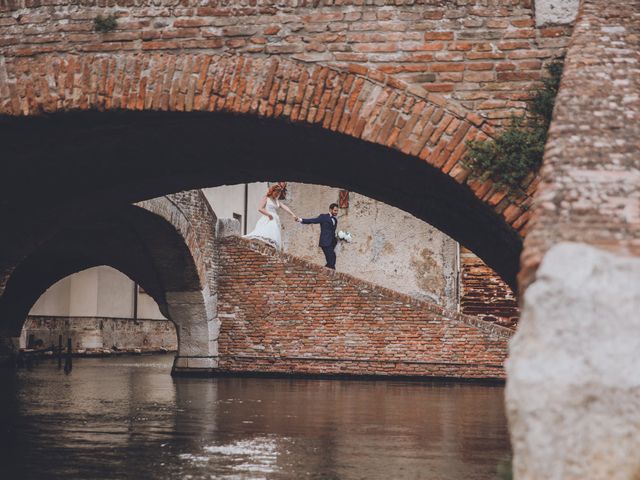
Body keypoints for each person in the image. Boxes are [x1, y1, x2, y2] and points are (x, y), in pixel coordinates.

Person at [244, 183, 297, 250]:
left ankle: (269, 248)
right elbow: (260, 208)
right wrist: (268, 214)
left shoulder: (277, 201)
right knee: (267, 234)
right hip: (268, 218)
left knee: (274, 236)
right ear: (272, 191)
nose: (277, 195)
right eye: (276, 193)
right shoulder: (266, 198)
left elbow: (285, 208)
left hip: (275, 219)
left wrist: (293, 214)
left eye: (279, 193)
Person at [297, 203, 339, 269]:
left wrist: (338, 237)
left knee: (332, 259)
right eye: (335, 210)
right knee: (331, 259)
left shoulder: (335, 220)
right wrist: (301, 220)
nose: (336, 212)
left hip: (332, 243)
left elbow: (332, 232)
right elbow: (313, 220)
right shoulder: (323, 217)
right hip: (325, 242)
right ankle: (330, 274)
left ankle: (324, 272)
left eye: (337, 211)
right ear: (330, 209)